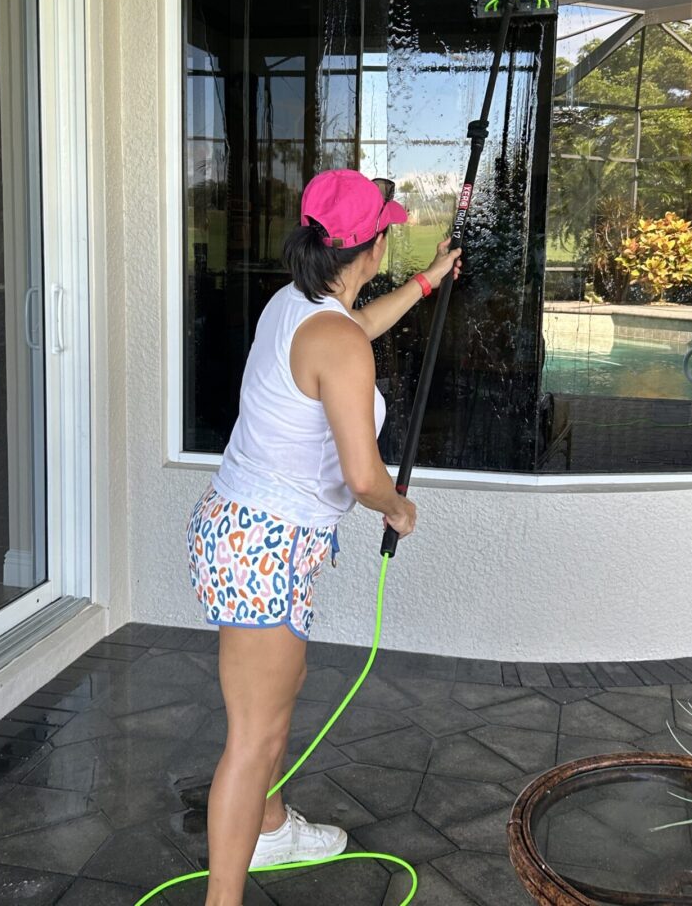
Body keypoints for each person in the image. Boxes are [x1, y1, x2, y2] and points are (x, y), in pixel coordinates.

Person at [186, 168, 462, 906]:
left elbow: (354, 331)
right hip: (264, 545)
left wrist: (429, 285)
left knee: (279, 696)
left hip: (248, 532)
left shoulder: (295, 304)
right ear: (369, 249)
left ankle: (271, 824)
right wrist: (396, 510)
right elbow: (364, 473)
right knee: (252, 737)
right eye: (386, 233)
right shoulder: (333, 338)